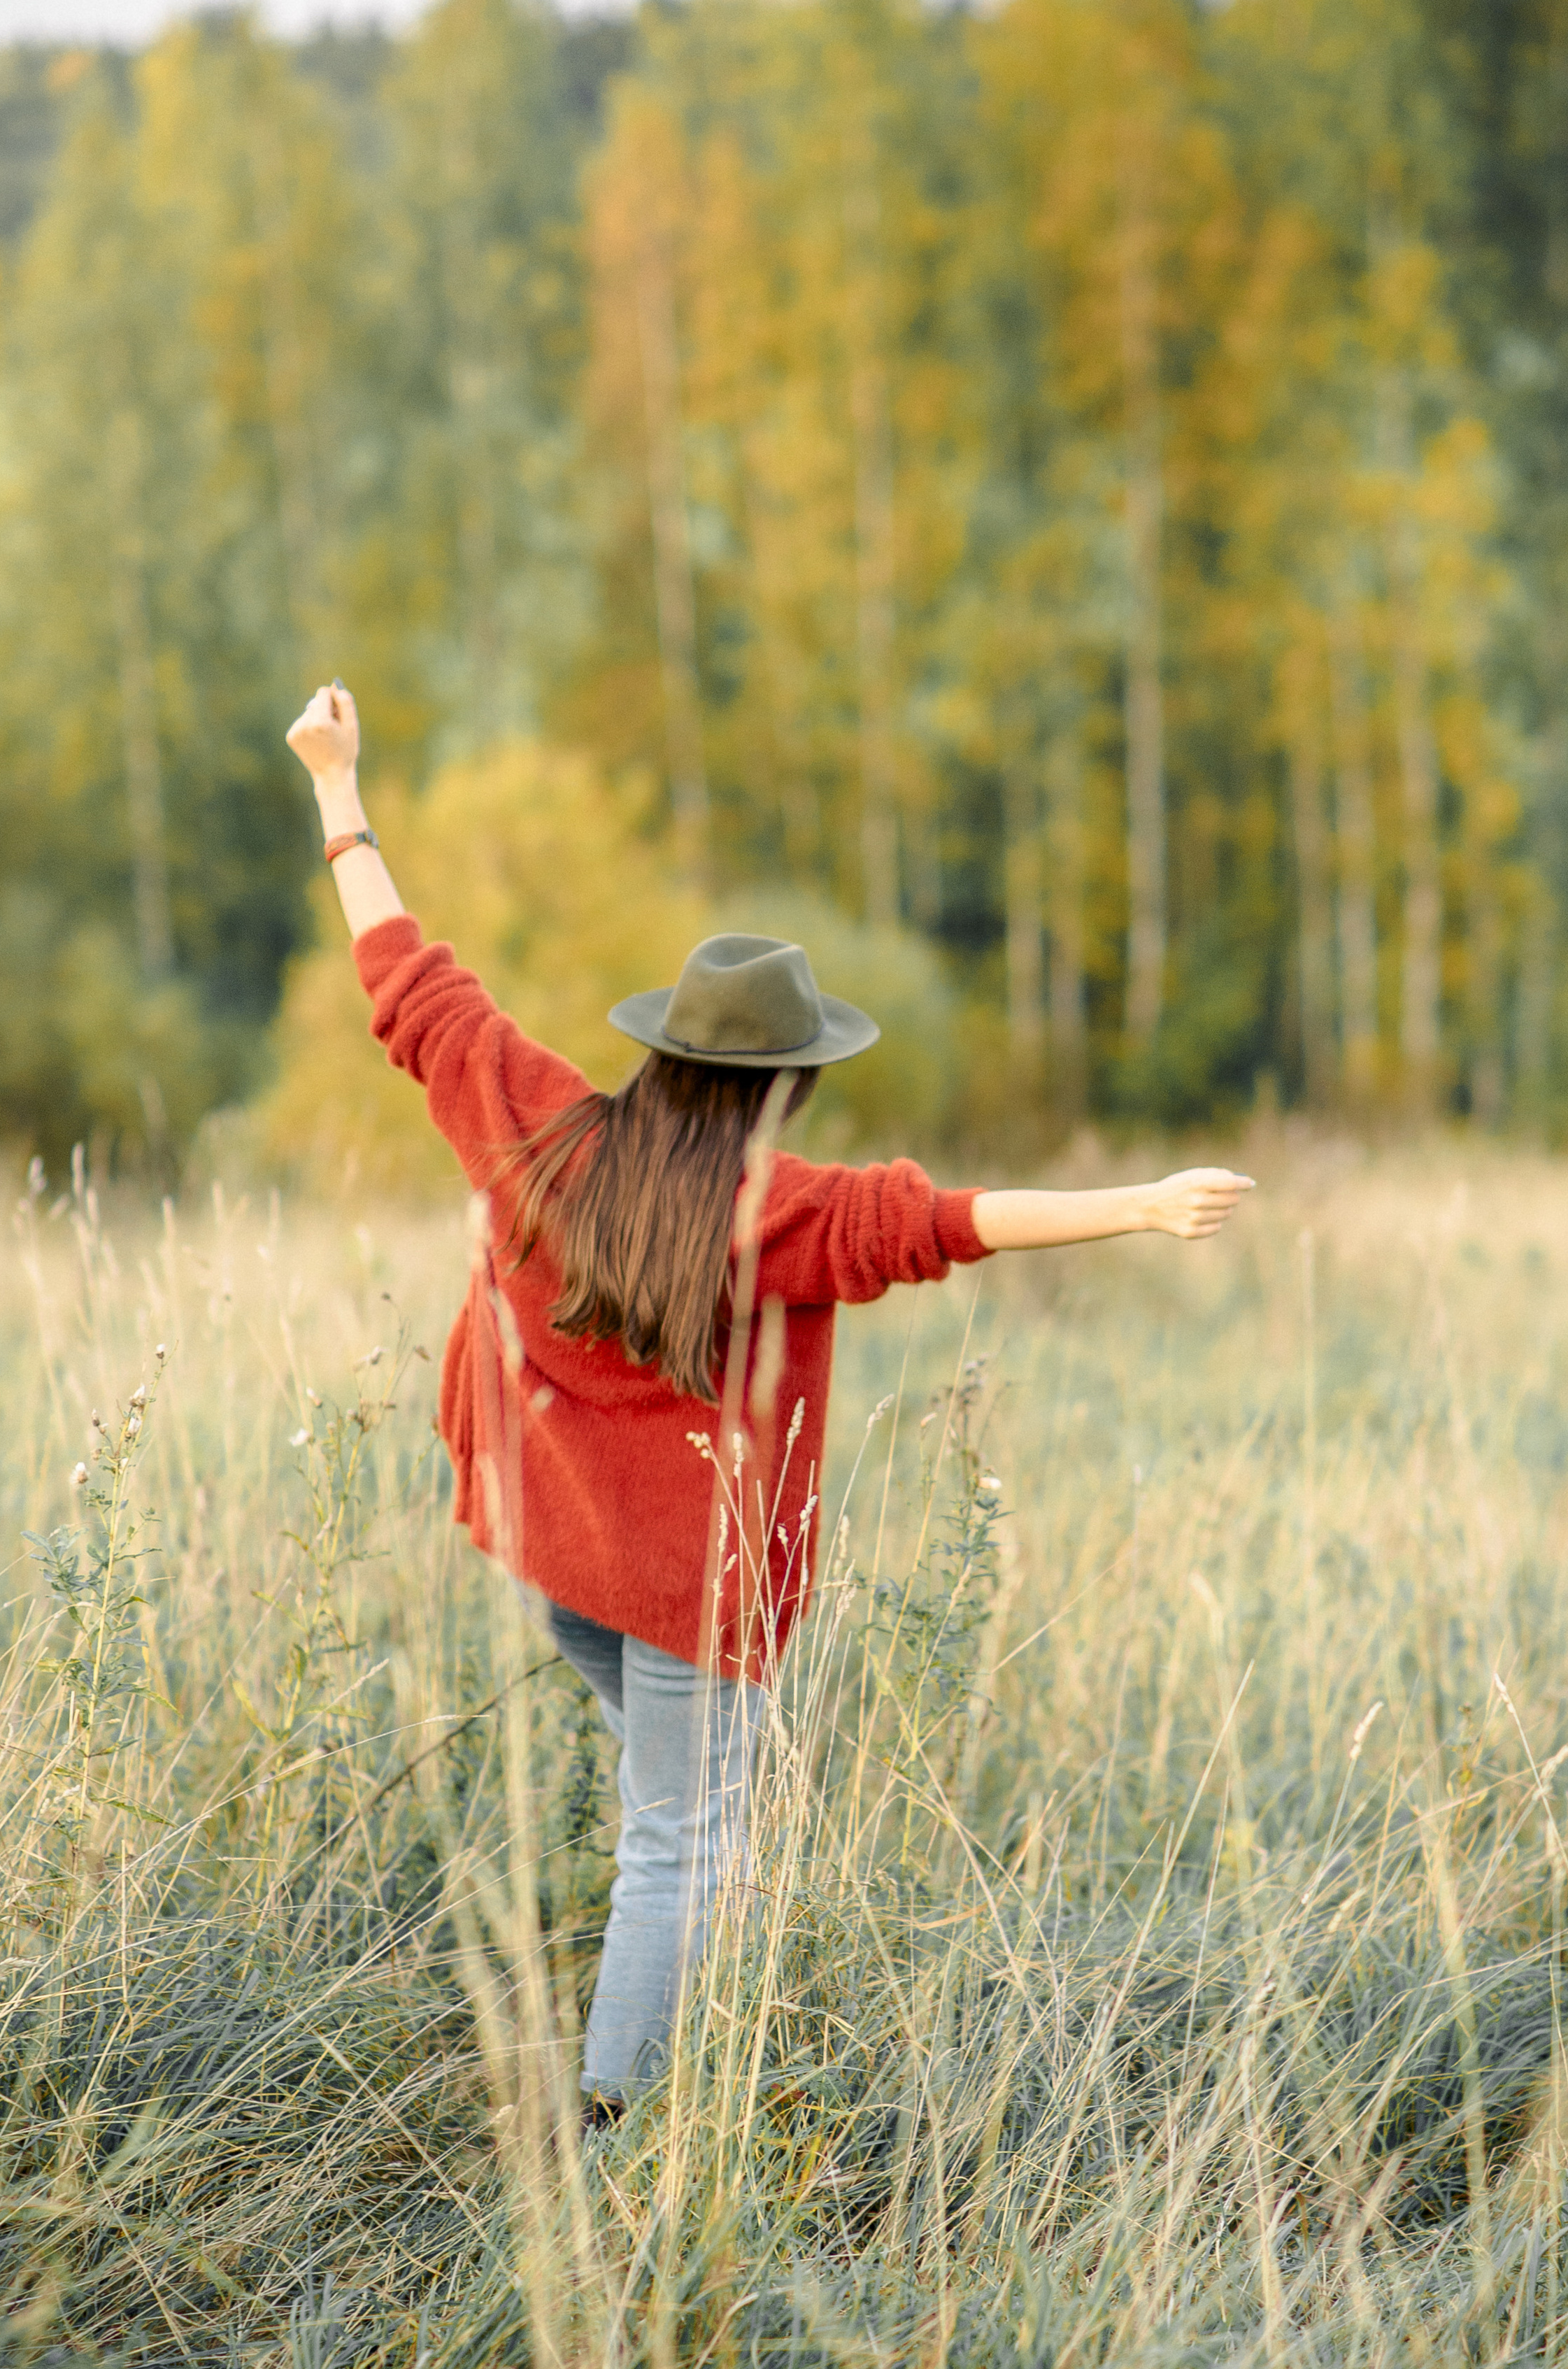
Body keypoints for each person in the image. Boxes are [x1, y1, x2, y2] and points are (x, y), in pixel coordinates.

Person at [285, 681, 1253, 2124]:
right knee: (678, 1839)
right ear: (783, 1082)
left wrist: (336, 785)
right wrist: (1142, 1204)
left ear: (665, 1051)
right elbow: (945, 1219)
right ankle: (618, 2118)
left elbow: (415, 992)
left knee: (694, 1817)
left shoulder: (549, 1131)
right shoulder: (775, 1207)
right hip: (681, 1583)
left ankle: (701, 2040)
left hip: (564, 1559)